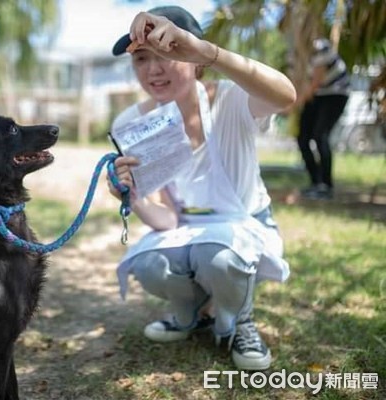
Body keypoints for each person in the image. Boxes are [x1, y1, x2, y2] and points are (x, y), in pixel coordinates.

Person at [106, 6, 296, 371]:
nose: (154, 69)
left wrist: (209, 51)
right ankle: (189, 313)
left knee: (220, 259)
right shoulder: (131, 122)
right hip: (185, 230)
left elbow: (285, 96)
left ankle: (239, 319)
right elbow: (167, 219)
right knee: (147, 264)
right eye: (142, 58)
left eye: (166, 54)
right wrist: (133, 197)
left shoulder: (232, 98)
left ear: (194, 59)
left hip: (242, 227)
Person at [295, 38, 349, 200]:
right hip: (319, 96)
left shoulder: (319, 46)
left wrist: (293, 104)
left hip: (335, 94)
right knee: (303, 138)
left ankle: (326, 186)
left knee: (320, 135)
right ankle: (316, 183)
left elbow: (316, 82)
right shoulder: (298, 55)